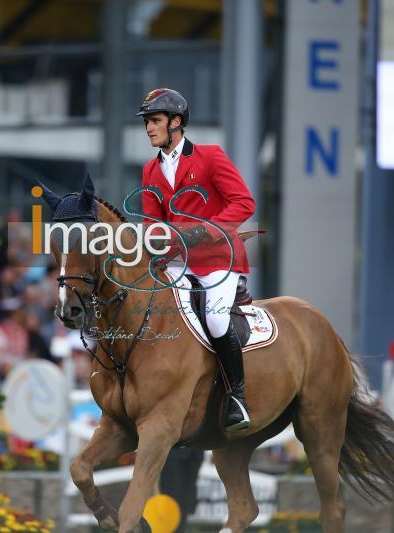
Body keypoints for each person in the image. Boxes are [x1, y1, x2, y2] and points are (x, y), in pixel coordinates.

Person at [137, 88, 256, 431]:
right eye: (147, 122)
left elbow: (244, 203)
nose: (149, 128)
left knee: (216, 320)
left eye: (155, 121)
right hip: (176, 261)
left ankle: (237, 398)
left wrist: (204, 232)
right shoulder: (150, 170)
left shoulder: (210, 156)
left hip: (218, 258)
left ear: (176, 123)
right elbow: (152, 222)